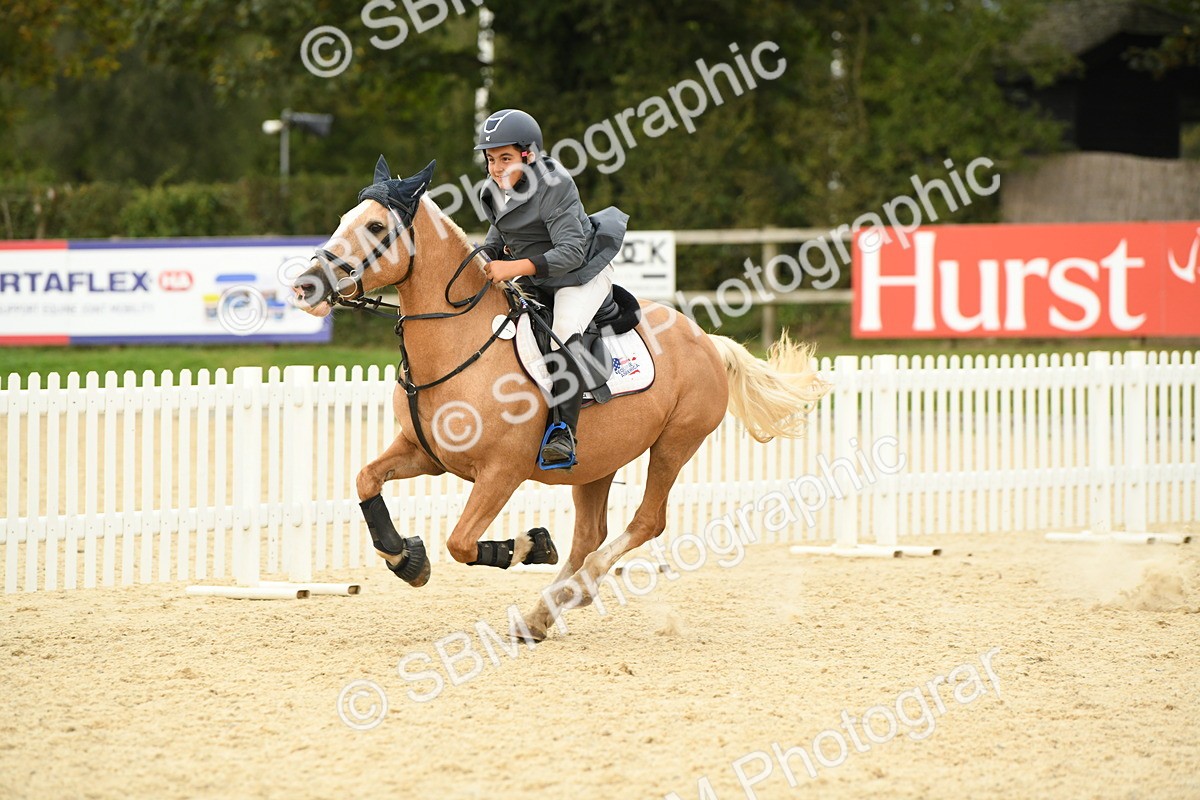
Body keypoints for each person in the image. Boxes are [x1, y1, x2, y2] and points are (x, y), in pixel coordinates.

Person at [475, 109, 628, 467]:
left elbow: (571, 252)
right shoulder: (494, 189)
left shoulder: (555, 184)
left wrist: (512, 267)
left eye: (506, 158)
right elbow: (499, 235)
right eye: (491, 159)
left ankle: (562, 431)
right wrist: (480, 258)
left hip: (582, 273)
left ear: (529, 154)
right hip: (539, 275)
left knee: (561, 329)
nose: (497, 168)